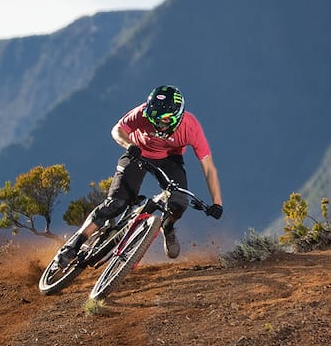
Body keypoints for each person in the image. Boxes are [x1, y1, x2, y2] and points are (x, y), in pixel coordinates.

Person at [56, 85, 224, 264]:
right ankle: (74, 244)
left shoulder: (191, 127)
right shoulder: (141, 112)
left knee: (180, 202)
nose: (158, 123)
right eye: (154, 118)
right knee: (115, 204)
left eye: (165, 120)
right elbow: (117, 130)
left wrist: (217, 203)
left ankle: (168, 227)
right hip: (137, 153)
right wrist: (129, 145)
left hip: (170, 159)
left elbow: (208, 168)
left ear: (177, 116)